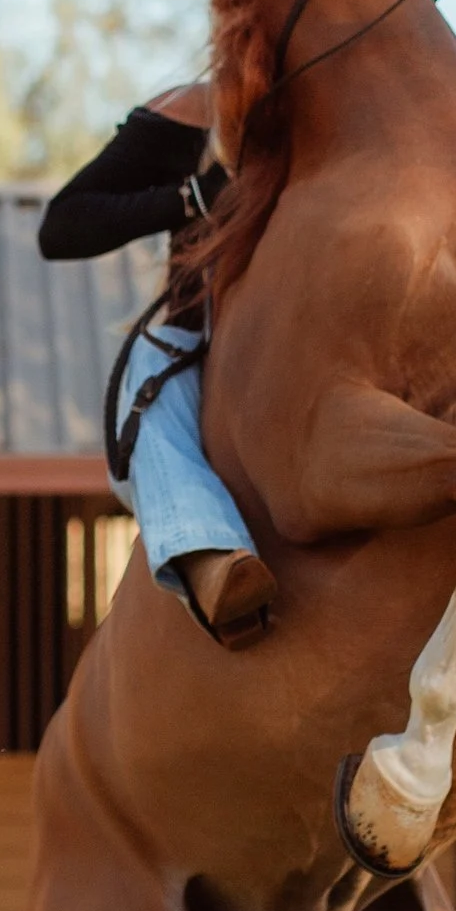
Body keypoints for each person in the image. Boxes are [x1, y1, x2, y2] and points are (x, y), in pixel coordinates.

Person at [38, 81, 278, 651]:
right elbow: (62, 227)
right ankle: (211, 557)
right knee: (149, 367)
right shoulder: (194, 115)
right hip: (208, 340)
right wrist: (192, 198)